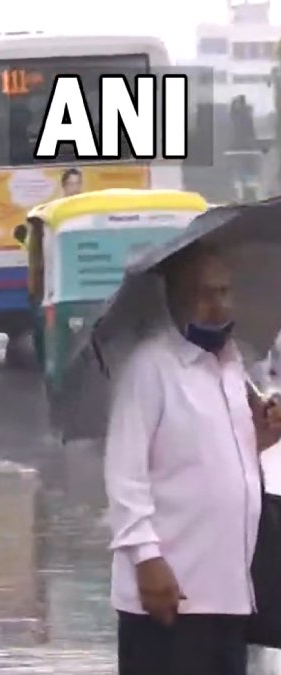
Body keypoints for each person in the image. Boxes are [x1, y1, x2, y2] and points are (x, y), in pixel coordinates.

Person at [105, 242, 281, 675]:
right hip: (169, 594)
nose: (218, 306)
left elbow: (213, 458)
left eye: (224, 292)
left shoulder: (233, 366)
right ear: (174, 299)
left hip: (229, 594)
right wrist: (146, 558)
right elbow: (125, 473)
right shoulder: (151, 368)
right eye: (203, 294)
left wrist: (261, 437)